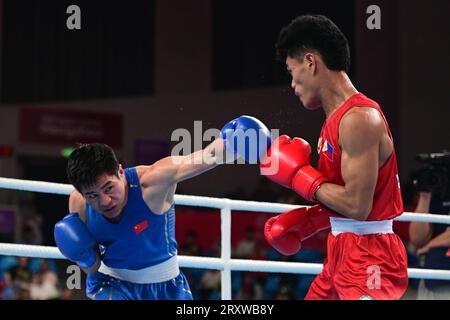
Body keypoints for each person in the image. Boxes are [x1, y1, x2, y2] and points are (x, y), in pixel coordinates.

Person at [225, 15, 408, 299]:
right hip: (340, 252)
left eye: (291, 71)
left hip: (371, 258)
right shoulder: (332, 124)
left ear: (310, 62)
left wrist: (300, 176)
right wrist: (310, 220)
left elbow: (358, 206)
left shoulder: (360, 118)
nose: (292, 85)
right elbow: (344, 203)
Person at [54, 116, 270, 300]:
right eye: (92, 195)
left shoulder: (152, 182)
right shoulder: (78, 203)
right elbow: (92, 268)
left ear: (120, 171)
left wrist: (234, 142)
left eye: (108, 188)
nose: (104, 201)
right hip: (111, 284)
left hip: (165, 287)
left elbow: (208, 156)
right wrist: (84, 259)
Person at [409, 191, 450, 299]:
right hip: (430, 276)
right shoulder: (438, 192)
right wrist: (424, 197)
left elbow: (421, 247)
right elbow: (417, 240)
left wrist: (429, 245)